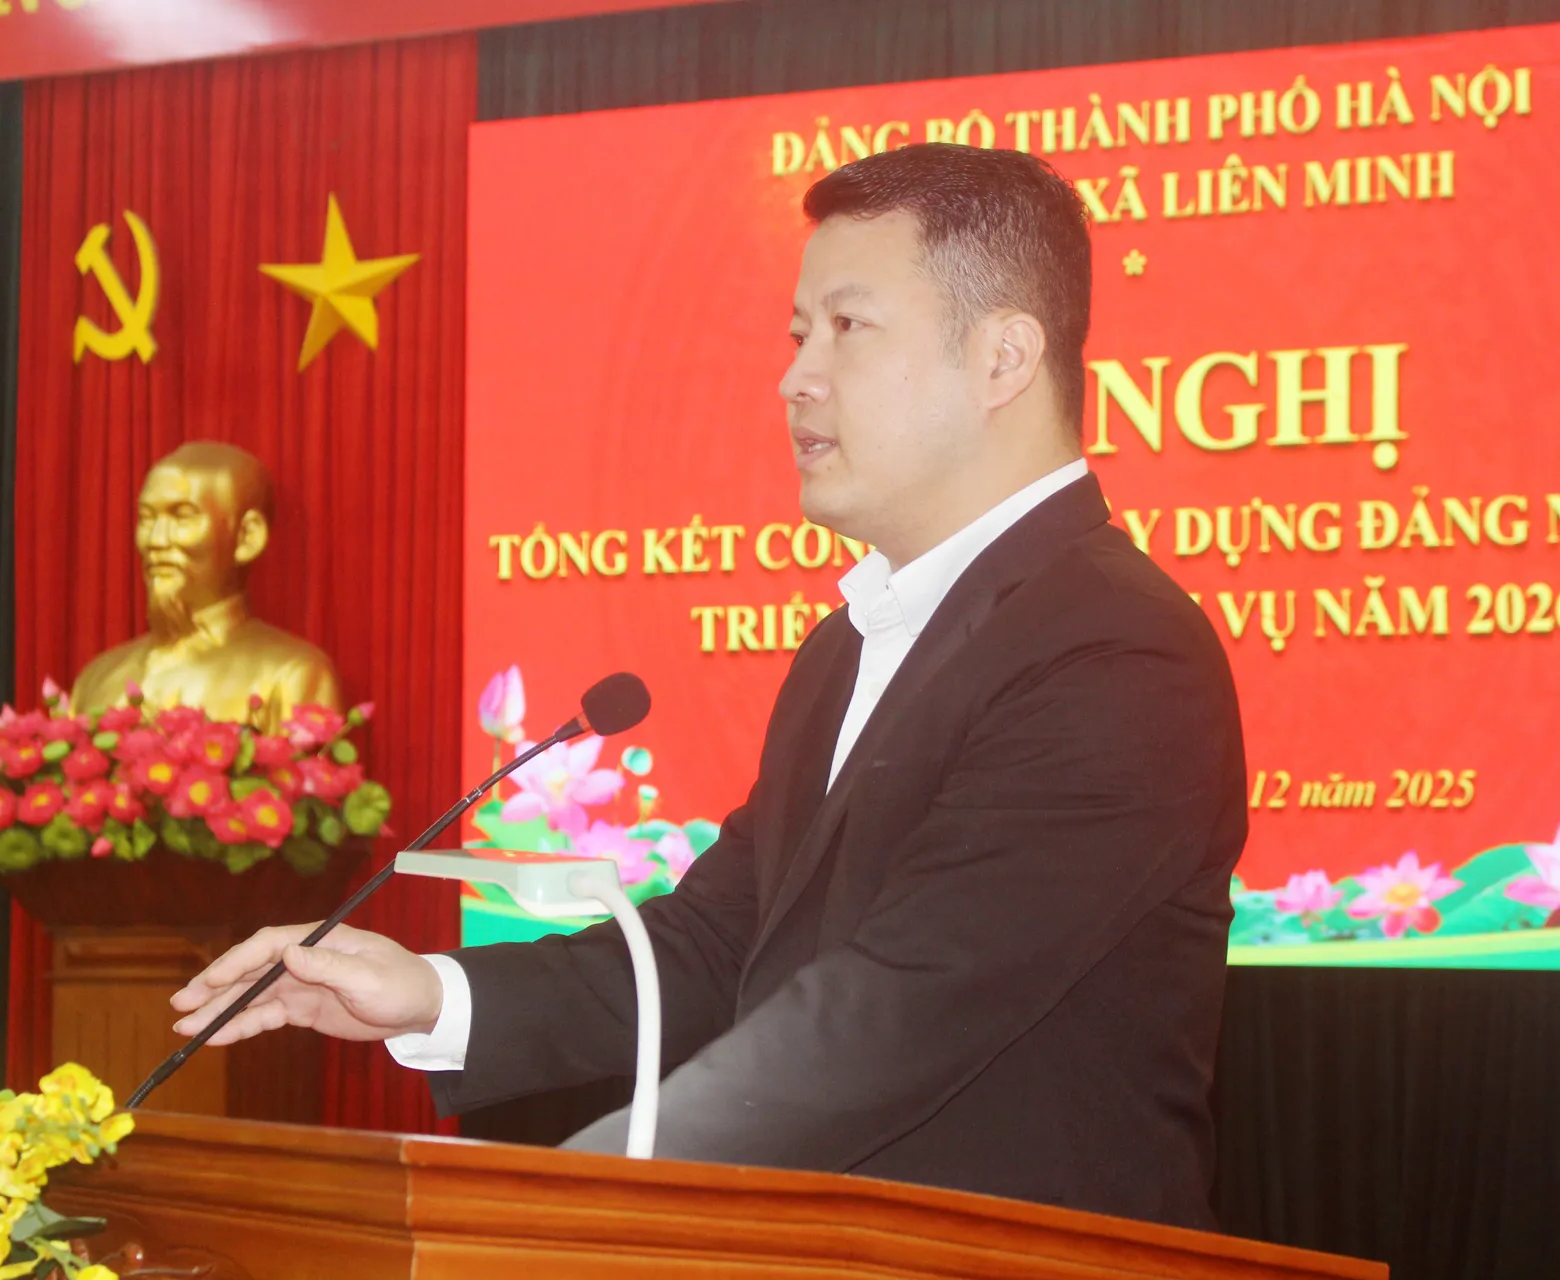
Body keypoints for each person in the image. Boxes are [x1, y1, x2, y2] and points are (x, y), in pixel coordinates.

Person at [171, 143, 1247, 1228]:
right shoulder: (845, 647)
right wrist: (432, 992)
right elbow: (718, 944)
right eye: (798, 333)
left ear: (1003, 357)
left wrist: (550, 1207)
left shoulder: (1117, 651)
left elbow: (905, 1005)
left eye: (848, 326)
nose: (796, 378)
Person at [71, 440, 343, 730]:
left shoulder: (291, 675)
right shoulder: (97, 677)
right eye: (147, 519)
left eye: (182, 517)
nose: (156, 540)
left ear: (247, 537)